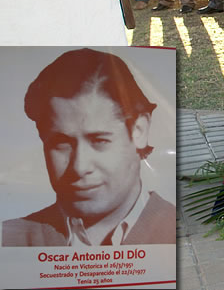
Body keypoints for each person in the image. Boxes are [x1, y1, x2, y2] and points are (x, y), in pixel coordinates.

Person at [1, 48, 175, 246]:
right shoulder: (9, 241)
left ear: (140, 130)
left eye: (99, 141)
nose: (79, 167)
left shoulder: (178, 234)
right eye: (61, 143)